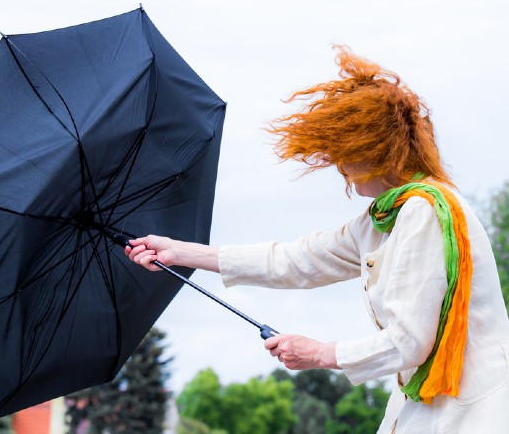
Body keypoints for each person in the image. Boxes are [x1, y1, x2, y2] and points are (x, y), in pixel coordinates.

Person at [124, 46, 509, 433]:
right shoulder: (383, 218)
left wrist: (321, 353)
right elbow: (294, 260)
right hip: (431, 406)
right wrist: (180, 252)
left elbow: (409, 342)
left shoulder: (422, 212)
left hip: (469, 413)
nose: (339, 166)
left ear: (374, 149)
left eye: (344, 152)